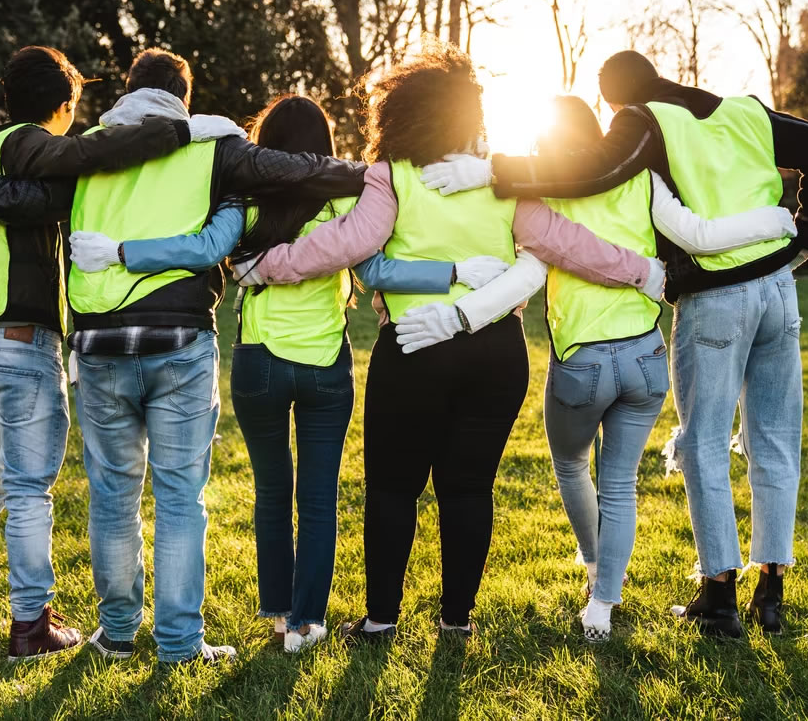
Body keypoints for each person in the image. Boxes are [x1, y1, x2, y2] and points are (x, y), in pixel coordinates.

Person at [237, 44, 665, 641]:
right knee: (468, 488)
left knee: (392, 488)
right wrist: (640, 270)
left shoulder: (391, 179)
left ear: (401, 114)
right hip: (495, 355)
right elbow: (565, 241)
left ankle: (382, 619)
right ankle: (456, 620)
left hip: (412, 354)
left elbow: (342, 244)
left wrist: (267, 265)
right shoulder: (503, 183)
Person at [416, 50, 808, 637]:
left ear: (615, 101)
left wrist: (491, 169)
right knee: (774, 440)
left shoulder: (643, 121)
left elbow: (591, 169)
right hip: (778, 290)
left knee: (703, 446)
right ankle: (771, 591)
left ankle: (720, 595)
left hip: (718, 298)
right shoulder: (745, 113)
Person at [70, 94, 507, 653]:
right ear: (323, 147)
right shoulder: (347, 202)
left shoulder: (245, 201)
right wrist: (452, 270)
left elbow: (213, 251)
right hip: (326, 365)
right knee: (319, 499)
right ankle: (309, 622)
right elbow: (375, 267)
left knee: (272, 494)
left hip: (260, 364)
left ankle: (278, 617)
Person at [0, 45, 192, 661]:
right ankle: (31, 623)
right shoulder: (26, 145)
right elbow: (89, 155)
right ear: (64, 106)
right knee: (27, 489)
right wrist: (174, 130)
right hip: (17, 338)